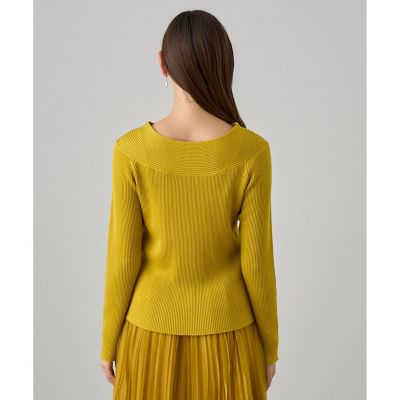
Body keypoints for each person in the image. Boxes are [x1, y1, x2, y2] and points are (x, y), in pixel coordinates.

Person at [99, 9, 279, 400]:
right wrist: (270, 347)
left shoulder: (130, 151)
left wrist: (108, 341)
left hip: (148, 335)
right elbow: (257, 263)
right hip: (230, 336)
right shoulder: (252, 152)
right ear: (224, 64)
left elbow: (123, 259)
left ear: (162, 63)